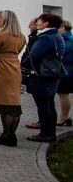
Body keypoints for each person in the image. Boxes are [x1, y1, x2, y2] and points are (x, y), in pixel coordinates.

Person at [24, 13, 66, 143]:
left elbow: (32, 55)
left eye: (39, 20)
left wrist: (24, 64)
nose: (37, 23)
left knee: (43, 105)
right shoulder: (55, 35)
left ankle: (46, 133)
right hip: (52, 73)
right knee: (48, 104)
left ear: (46, 23)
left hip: (42, 74)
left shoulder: (45, 38)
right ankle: (49, 132)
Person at [0, 10, 27, 146]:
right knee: (14, 102)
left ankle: (6, 135)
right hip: (15, 68)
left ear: (3, 20)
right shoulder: (21, 36)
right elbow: (19, 51)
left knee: (4, 103)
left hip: (1, 69)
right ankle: (12, 134)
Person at [58, 20, 73, 128]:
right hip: (68, 70)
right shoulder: (70, 37)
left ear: (63, 28)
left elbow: (61, 54)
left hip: (66, 71)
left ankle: (64, 117)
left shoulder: (66, 39)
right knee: (64, 93)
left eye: (58, 28)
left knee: (63, 93)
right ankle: (65, 117)